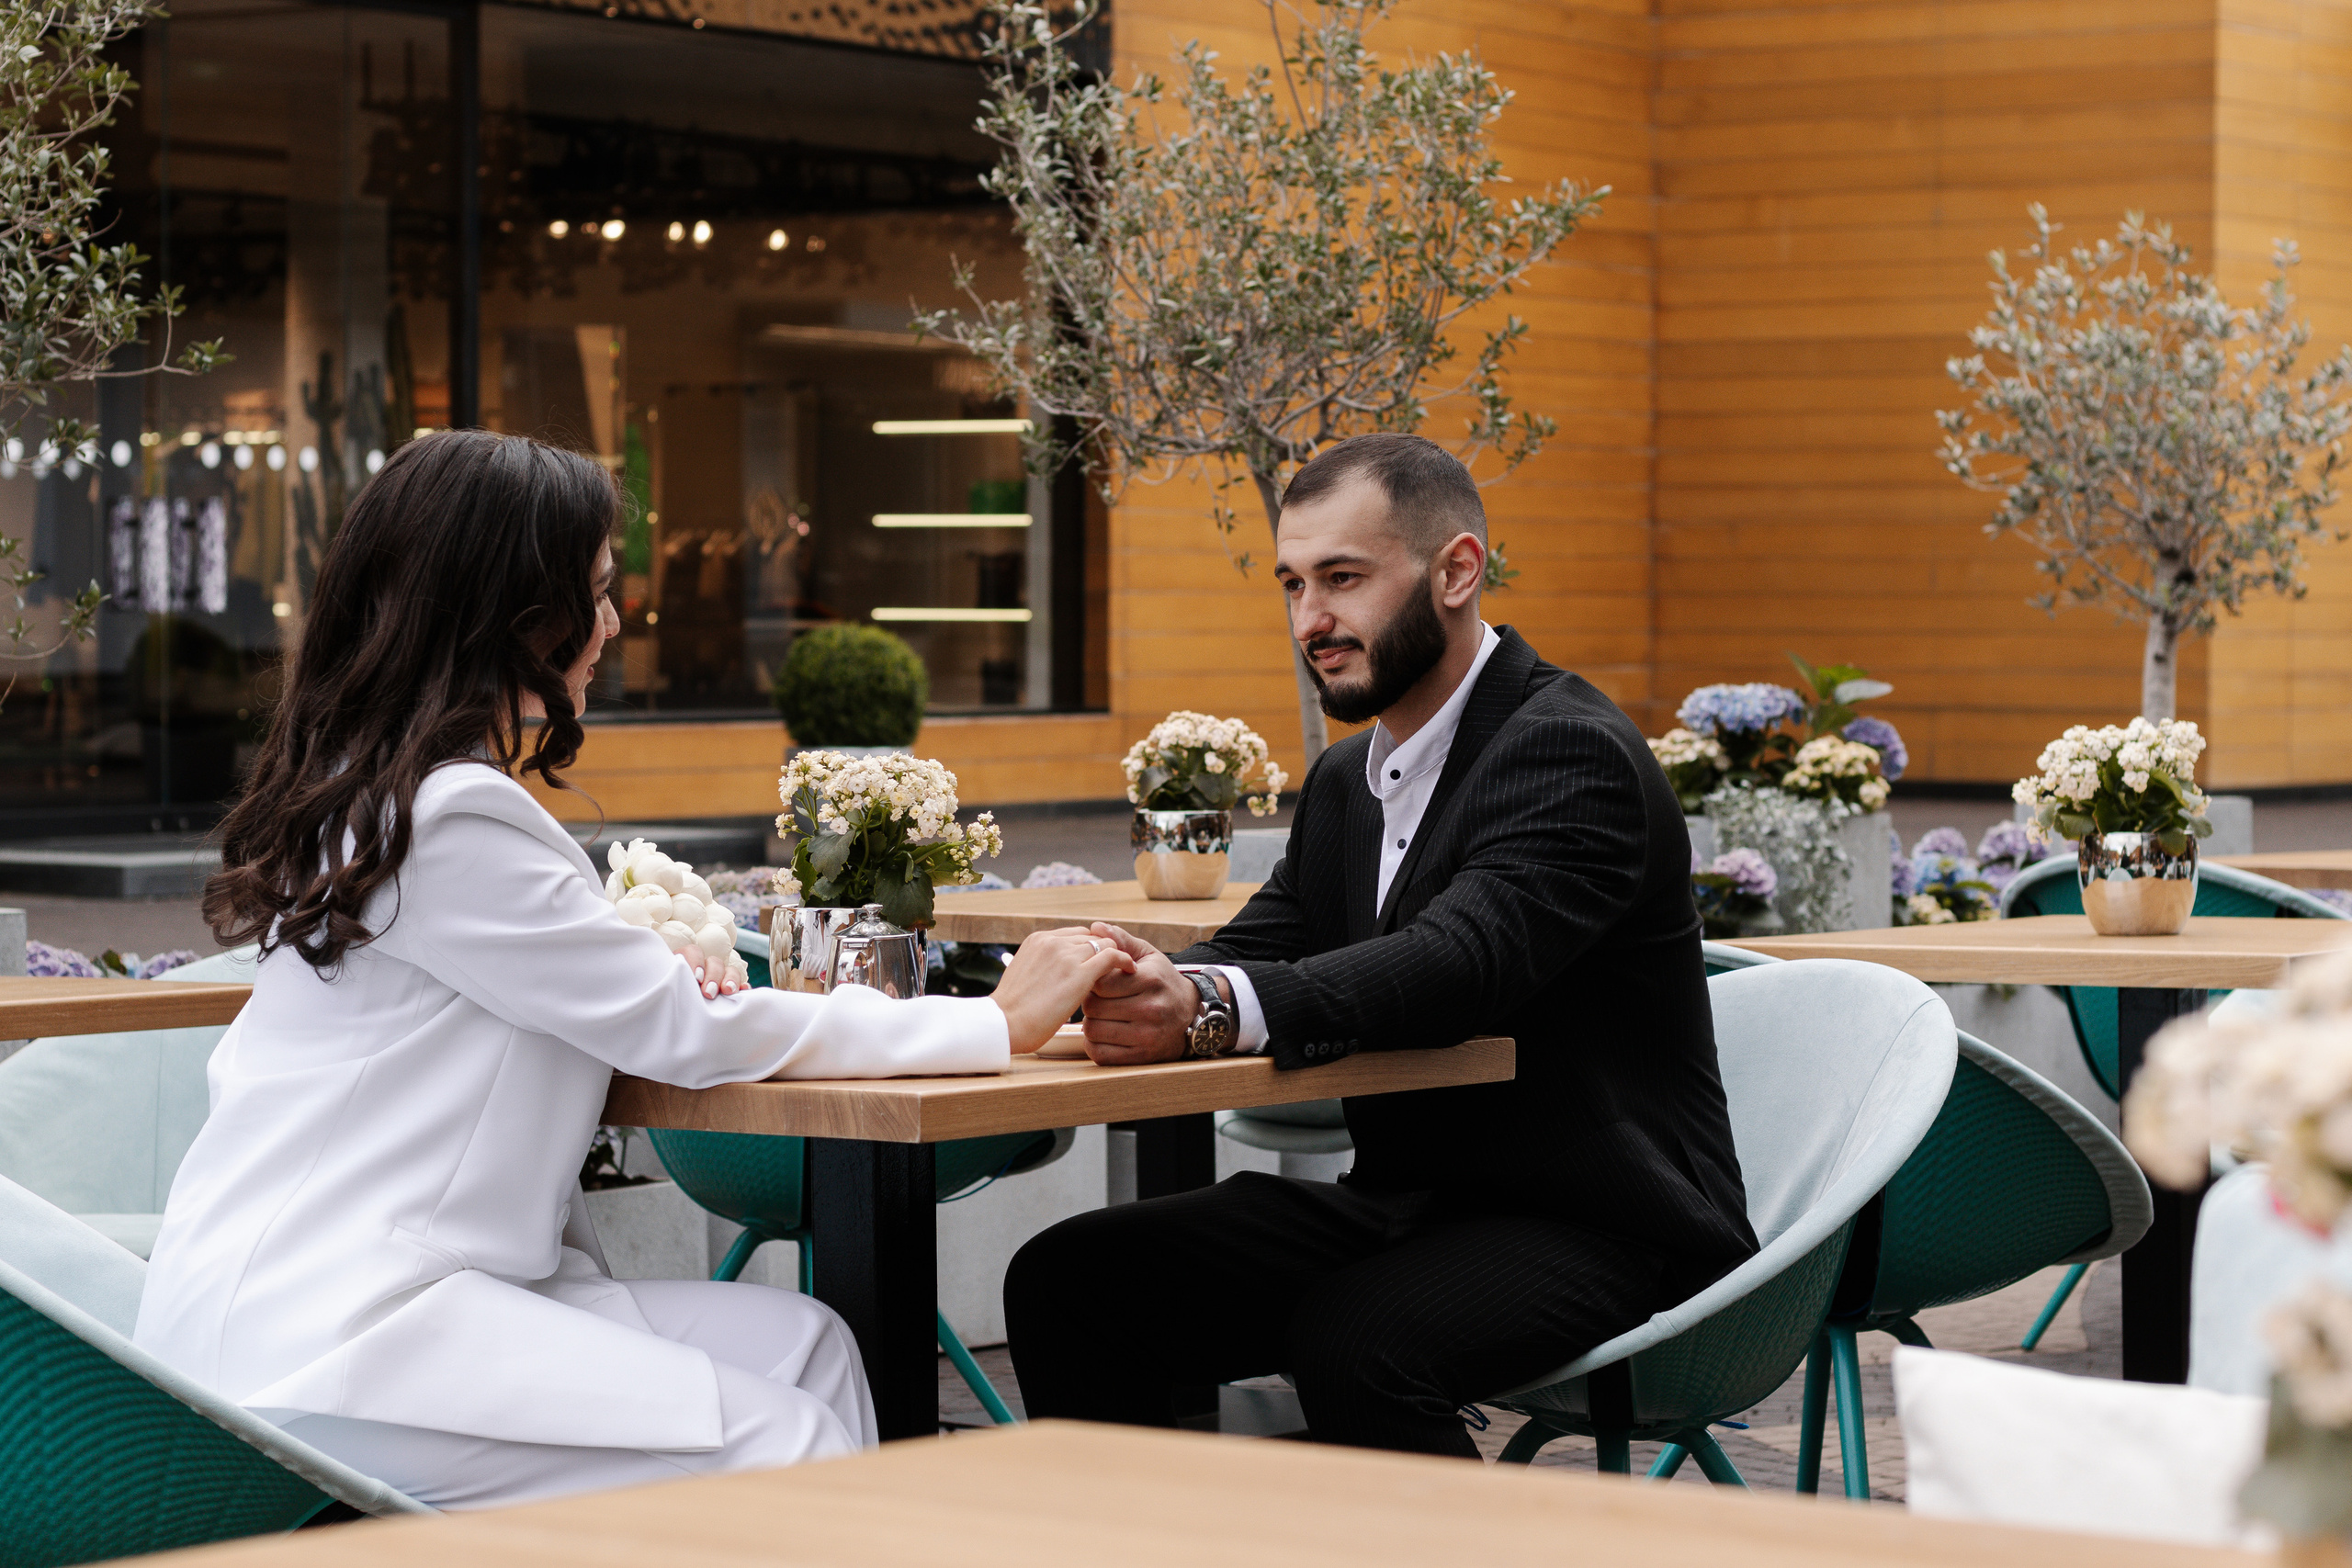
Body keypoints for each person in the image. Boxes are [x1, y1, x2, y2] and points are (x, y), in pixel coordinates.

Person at [132, 430, 1130, 1509]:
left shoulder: (377, 800)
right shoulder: (449, 817)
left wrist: (647, 976)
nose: (613, 624)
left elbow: (597, 1004)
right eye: (598, 592)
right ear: (514, 614)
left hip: (346, 1298)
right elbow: (682, 1033)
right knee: (783, 1438)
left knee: (807, 1349)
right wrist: (997, 1022)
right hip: (340, 1337)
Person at [1002, 433, 1757, 1457]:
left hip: (1609, 1224)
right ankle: (1147, 1535)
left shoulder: (1568, 748)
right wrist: (1135, 976)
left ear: (1457, 571)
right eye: (1293, 584)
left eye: (1343, 578)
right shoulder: (1347, 781)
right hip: (1414, 1205)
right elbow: (1264, 944)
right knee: (1074, 1279)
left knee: (1358, 1340)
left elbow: (1460, 962)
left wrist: (1207, 1009)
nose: (1310, 620)